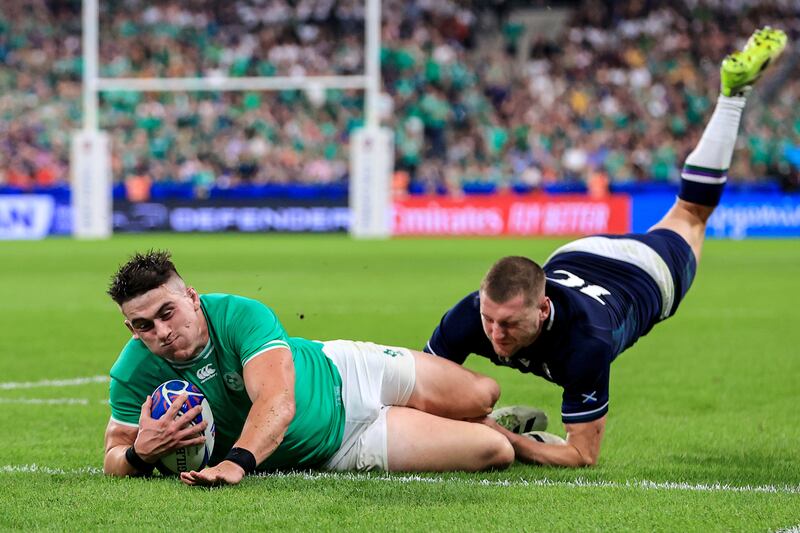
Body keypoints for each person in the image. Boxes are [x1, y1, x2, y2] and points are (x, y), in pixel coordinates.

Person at [423, 27, 787, 467]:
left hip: (644, 273)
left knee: (691, 213)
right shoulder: (471, 315)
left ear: (541, 311)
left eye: (507, 324)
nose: (495, 334)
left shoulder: (587, 342)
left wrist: (504, 438)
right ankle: (732, 94)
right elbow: (423, 383)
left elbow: (581, 454)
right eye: (490, 319)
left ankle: (733, 96)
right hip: (575, 256)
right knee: (687, 210)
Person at [103, 250, 513, 486]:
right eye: (143, 325)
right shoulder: (131, 372)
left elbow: (277, 400)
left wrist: (235, 463)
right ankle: (505, 432)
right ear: (130, 328)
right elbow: (113, 455)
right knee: (495, 450)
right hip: (342, 447)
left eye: (167, 312)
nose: (161, 331)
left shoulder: (239, 315)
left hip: (349, 370)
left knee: (483, 394)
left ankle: (494, 417)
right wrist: (139, 455)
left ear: (192, 298)